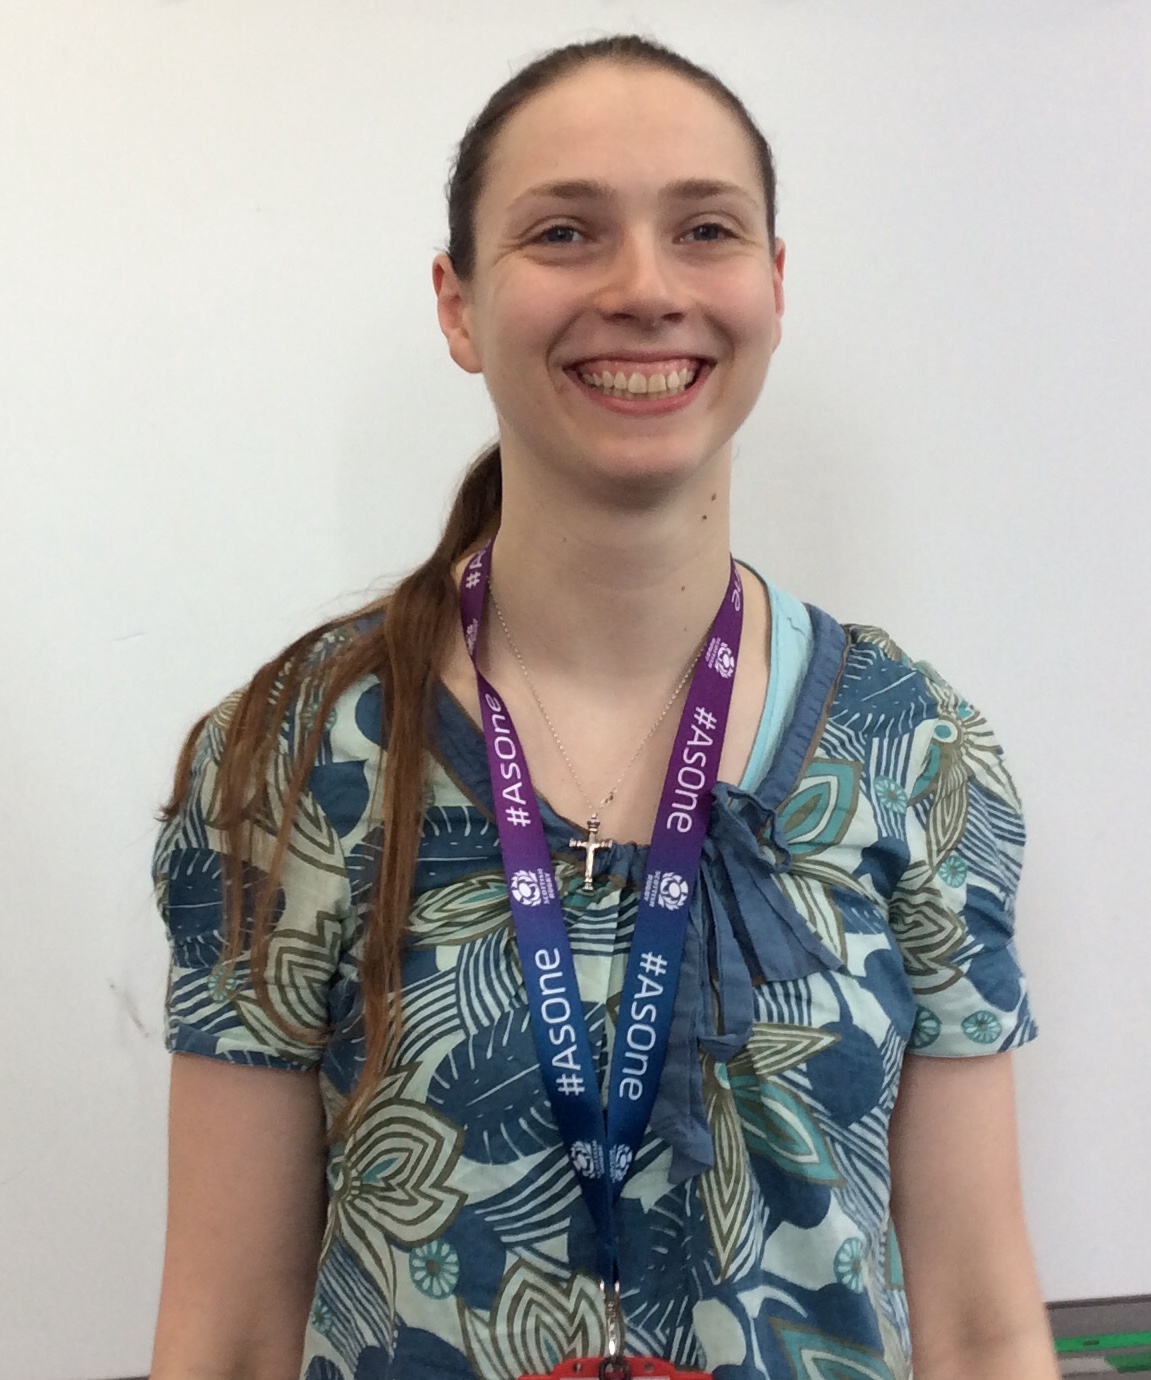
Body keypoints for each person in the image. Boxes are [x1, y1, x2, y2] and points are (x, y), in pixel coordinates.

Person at [149, 35, 1058, 1380]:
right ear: (459, 305)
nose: (644, 287)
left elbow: (980, 1325)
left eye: (704, 229)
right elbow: (226, 1336)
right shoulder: (295, 754)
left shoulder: (913, 750)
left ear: (773, 284)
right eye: (565, 232)